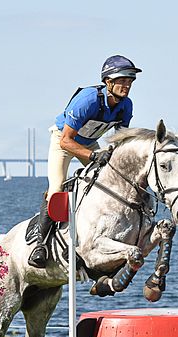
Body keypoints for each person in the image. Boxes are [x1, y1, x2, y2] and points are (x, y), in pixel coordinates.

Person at [28, 54, 142, 268]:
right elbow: (66, 141)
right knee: (56, 188)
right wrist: (92, 156)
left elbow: (120, 139)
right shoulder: (88, 100)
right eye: (123, 81)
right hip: (63, 141)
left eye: (130, 81)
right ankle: (40, 245)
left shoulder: (126, 105)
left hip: (90, 144)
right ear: (108, 82)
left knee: (109, 182)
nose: (127, 86)